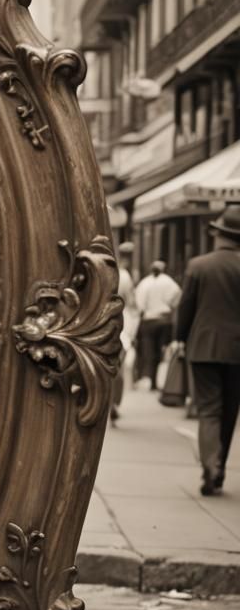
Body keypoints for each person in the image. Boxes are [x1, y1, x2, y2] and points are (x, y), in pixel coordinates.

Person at [174, 206, 240, 496]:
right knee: (230, 409)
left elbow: (185, 307)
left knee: (209, 409)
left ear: (219, 235)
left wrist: (179, 338)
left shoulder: (199, 265)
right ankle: (220, 467)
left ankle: (210, 466)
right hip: (236, 350)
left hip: (203, 347)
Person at [134, 259, 181, 390]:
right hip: (164, 320)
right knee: (162, 350)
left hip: (148, 321)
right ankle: (160, 380)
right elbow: (177, 298)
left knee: (149, 352)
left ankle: (151, 380)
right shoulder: (169, 282)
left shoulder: (144, 283)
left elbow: (140, 304)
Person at [111, 241, 140, 423]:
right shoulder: (125, 276)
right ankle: (113, 403)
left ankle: (108, 403)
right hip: (120, 325)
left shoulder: (107, 272)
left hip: (103, 323)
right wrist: (133, 332)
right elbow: (132, 306)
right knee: (117, 367)